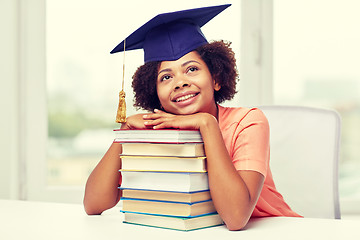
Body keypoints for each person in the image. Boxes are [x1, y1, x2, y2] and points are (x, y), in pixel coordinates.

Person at [83, 4, 301, 230]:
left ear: (216, 78)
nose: (180, 82)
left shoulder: (248, 122)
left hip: (274, 229)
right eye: (166, 77)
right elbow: (92, 204)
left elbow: (236, 218)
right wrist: (126, 134)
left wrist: (207, 124)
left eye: (192, 69)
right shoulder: (156, 134)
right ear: (155, 94)